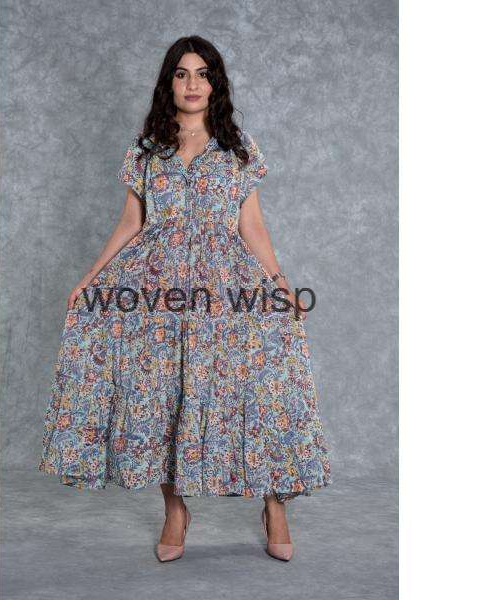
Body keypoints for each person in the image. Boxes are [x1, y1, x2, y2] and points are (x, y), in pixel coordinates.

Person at [38, 35, 331, 562]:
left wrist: (279, 281)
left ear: (214, 84)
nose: (192, 84)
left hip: (226, 285)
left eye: (202, 73)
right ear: (168, 83)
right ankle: (175, 511)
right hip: (156, 288)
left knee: (259, 386)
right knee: (162, 394)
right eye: (181, 73)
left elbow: (251, 224)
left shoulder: (237, 147)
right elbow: (131, 222)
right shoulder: (147, 149)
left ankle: (276, 504)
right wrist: (91, 277)